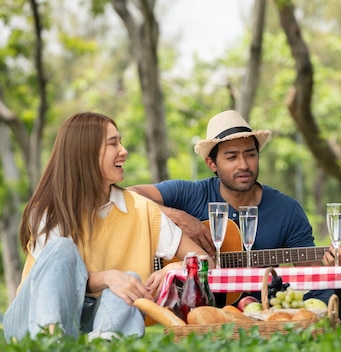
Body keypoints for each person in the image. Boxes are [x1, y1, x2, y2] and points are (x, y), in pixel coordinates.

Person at [3, 112, 210, 341]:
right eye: (113, 143)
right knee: (63, 250)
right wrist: (108, 277)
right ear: (86, 153)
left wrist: (175, 268)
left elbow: (205, 261)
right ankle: (51, 343)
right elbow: (56, 278)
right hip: (32, 318)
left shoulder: (143, 210)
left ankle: (106, 343)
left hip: (94, 319)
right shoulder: (49, 210)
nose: (124, 150)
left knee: (130, 279)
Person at [129, 110, 339, 306]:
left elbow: (312, 274)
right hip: (198, 312)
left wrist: (331, 269)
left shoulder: (287, 210)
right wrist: (178, 218)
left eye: (250, 154)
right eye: (231, 157)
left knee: (331, 292)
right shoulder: (190, 194)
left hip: (261, 314)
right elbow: (130, 195)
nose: (244, 165)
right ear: (212, 163)